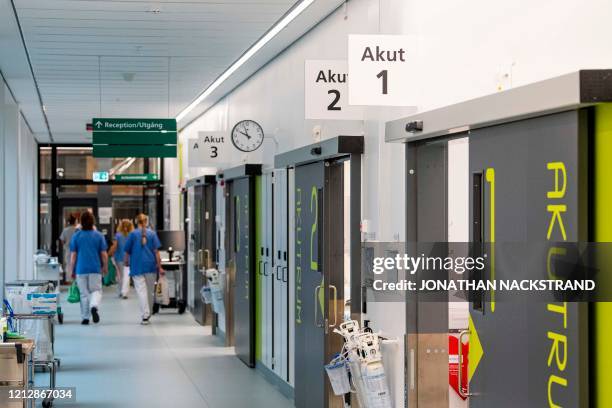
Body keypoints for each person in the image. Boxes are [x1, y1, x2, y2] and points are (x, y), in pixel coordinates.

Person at [124, 214, 164, 325]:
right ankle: (148, 312)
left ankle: (145, 315)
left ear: (137, 222)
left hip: (137, 266)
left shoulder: (132, 234)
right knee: (150, 291)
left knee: (141, 291)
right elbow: (156, 252)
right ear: (146, 222)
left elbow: (127, 251)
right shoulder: (152, 234)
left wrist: (126, 261)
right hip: (150, 266)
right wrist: (160, 266)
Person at [70, 211, 107, 325]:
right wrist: (105, 266)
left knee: (83, 293)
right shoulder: (99, 235)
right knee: (96, 290)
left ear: (81, 222)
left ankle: (85, 318)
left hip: (81, 269)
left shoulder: (77, 236)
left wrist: (72, 269)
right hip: (95, 268)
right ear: (93, 222)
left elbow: (73, 256)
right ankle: (94, 306)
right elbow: (104, 254)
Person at [108, 219, 134, 299]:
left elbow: (115, 246)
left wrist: (109, 254)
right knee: (127, 275)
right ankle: (124, 292)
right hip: (130, 258)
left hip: (119, 258)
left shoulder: (118, 235)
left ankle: (121, 291)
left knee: (120, 275)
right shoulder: (132, 235)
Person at [59, 214, 78, 279]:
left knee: (68, 265)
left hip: (68, 250)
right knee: (76, 264)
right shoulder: (77, 230)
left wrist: (65, 245)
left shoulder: (65, 230)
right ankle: (75, 279)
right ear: (75, 221)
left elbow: (62, 240)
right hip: (76, 250)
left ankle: (68, 279)